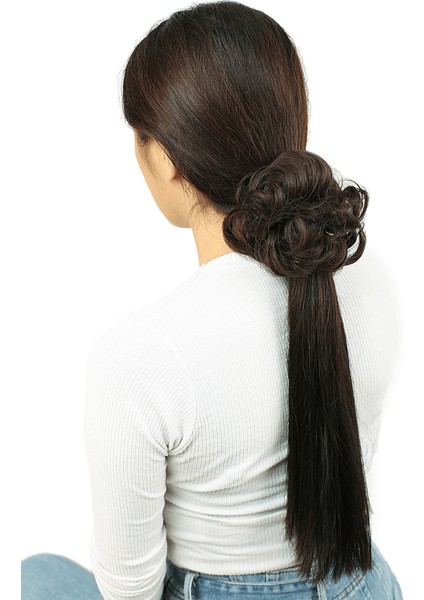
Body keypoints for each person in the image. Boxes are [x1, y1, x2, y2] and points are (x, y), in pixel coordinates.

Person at [21, 1, 404, 599]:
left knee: (33, 574)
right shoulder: (367, 276)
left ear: (165, 158)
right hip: (360, 582)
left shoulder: (141, 354)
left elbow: (130, 589)